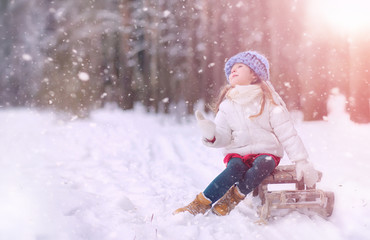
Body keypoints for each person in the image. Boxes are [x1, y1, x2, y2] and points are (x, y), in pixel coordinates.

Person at [173, 51, 319, 216]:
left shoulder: (269, 101)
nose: (233, 70)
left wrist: (301, 161)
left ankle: (233, 197)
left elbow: (287, 133)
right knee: (235, 168)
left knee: (265, 163)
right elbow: (223, 136)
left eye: (240, 66)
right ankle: (200, 203)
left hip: (266, 151)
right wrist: (211, 135)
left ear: (255, 74)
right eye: (231, 69)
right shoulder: (227, 105)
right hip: (238, 152)